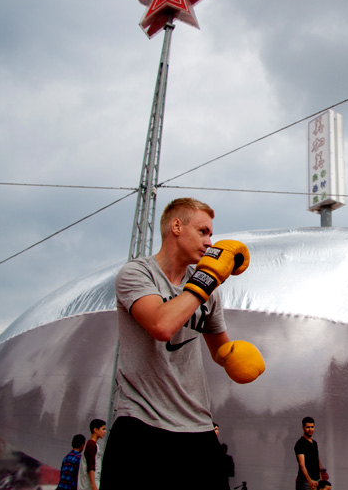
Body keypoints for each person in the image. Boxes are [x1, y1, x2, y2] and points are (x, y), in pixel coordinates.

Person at [101, 197, 264, 489]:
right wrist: (207, 278)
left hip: (197, 426)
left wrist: (234, 356)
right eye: (202, 231)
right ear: (177, 226)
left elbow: (219, 349)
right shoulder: (138, 274)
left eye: (211, 234)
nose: (209, 241)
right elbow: (161, 325)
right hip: (140, 425)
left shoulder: (207, 289)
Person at [295, 417, 328, 490]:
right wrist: (309, 481)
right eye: (308, 427)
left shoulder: (314, 443)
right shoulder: (300, 444)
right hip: (305, 482)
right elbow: (302, 464)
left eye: (312, 427)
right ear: (303, 428)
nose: (310, 429)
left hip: (317, 481)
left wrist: (321, 479)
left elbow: (316, 461)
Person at [78, 419, 105, 490]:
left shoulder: (94, 445)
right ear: (95, 430)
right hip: (89, 486)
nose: (104, 431)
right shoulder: (91, 444)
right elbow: (91, 466)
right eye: (103, 429)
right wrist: (93, 485)